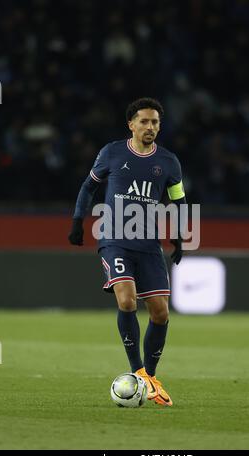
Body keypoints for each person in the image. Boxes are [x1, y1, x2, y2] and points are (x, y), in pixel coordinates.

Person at [68, 97, 186, 406]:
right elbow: (88, 187)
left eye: (155, 122)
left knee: (160, 313)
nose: (150, 127)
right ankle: (139, 372)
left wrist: (179, 236)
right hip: (115, 240)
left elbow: (178, 200)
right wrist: (78, 222)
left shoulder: (169, 162)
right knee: (127, 299)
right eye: (144, 121)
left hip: (149, 245)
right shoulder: (112, 152)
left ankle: (151, 376)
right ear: (131, 124)